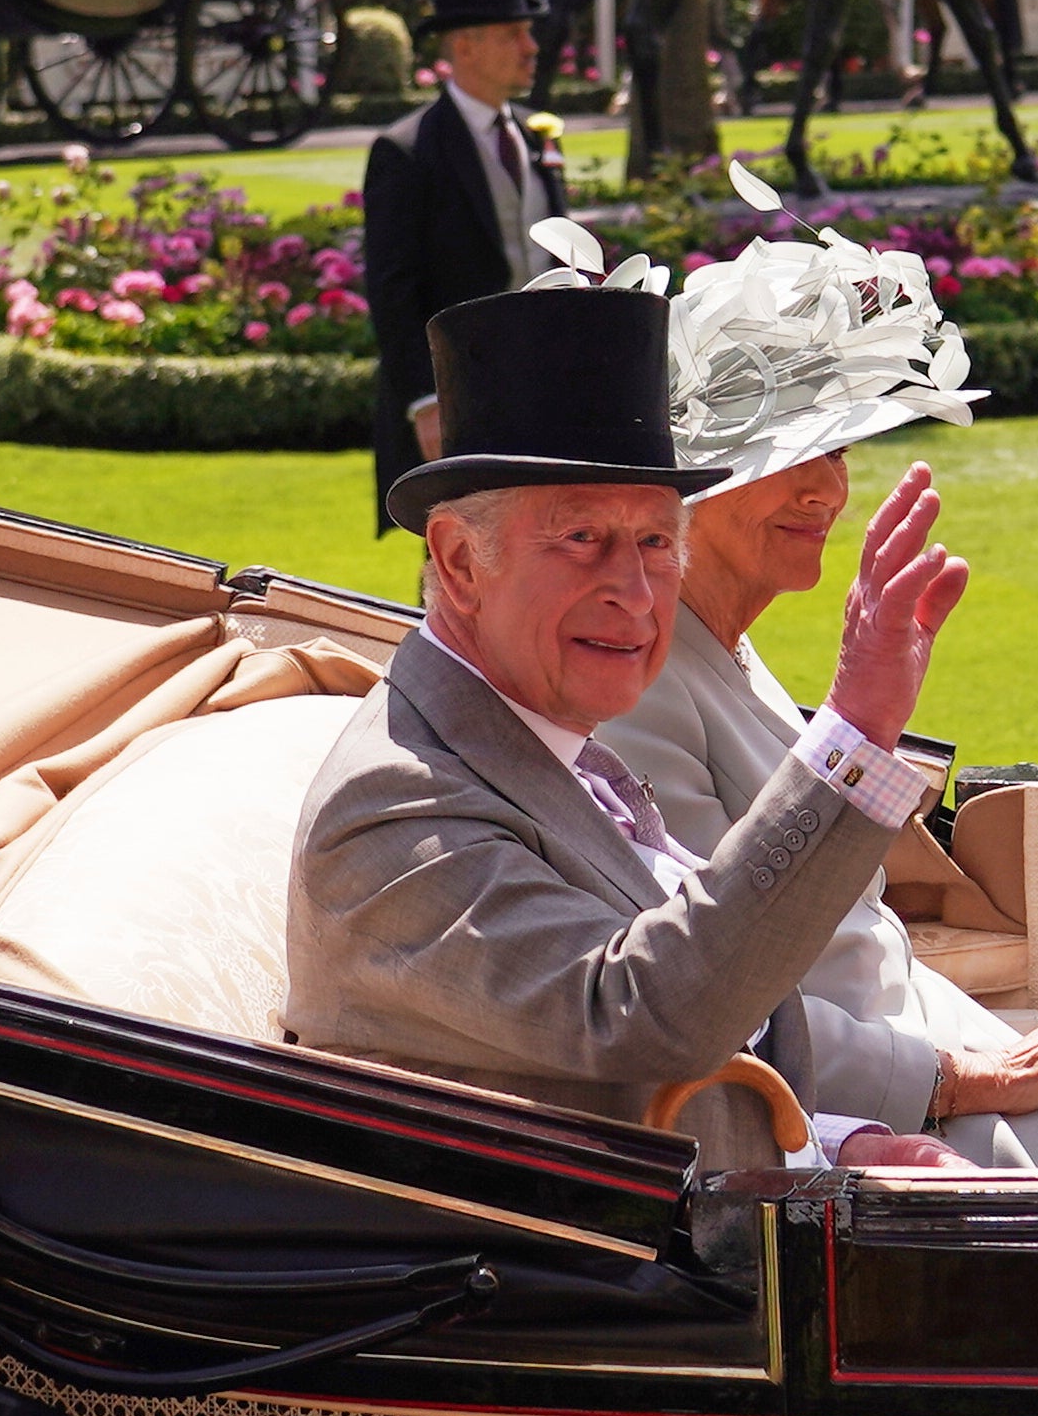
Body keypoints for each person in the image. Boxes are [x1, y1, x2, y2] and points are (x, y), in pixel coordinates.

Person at [594, 235, 1038, 1164]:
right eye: (786, 455)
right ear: (685, 485)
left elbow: (864, 952)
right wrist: (962, 1076)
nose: (826, 486)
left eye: (837, 447)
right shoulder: (638, 690)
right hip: (843, 1130)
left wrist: (1006, 1050)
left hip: (934, 1064)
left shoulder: (722, 650)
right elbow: (710, 1001)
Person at [287, 278, 972, 1169]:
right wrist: (851, 732)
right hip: (613, 1289)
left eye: (654, 541)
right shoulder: (393, 809)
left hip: (755, 1217)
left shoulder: (546, 744)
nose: (635, 592)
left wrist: (846, 1143)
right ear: (459, 561)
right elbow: (646, 1017)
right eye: (581, 539)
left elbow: (644, 1077)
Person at [360, 0, 571, 534]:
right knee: (461, 550)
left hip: (540, 385)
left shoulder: (537, 135)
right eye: (514, 34)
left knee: (546, 543)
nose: (532, 47)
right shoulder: (406, 152)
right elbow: (393, 290)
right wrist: (426, 400)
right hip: (460, 392)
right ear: (466, 46)